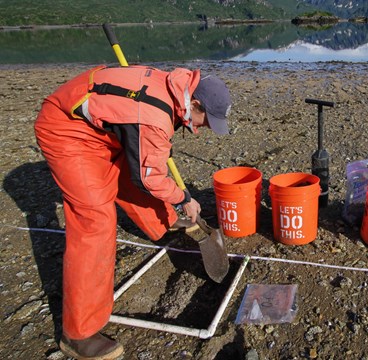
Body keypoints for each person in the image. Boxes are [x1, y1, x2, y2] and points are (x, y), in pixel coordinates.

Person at [33, 64, 232, 359]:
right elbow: (150, 177)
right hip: (68, 131)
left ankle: (162, 224)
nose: (203, 128)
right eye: (206, 121)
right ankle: (78, 333)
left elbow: (145, 156)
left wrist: (157, 153)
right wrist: (185, 198)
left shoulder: (173, 87)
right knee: (95, 221)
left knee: (133, 174)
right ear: (195, 103)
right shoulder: (153, 117)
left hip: (103, 128)